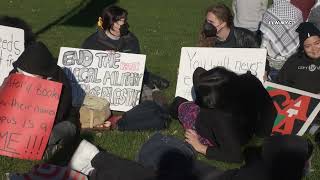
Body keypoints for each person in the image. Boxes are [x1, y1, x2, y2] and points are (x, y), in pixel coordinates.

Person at [170, 67, 277, 163]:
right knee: (199, 73)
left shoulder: (217, 116)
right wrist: (262, 133)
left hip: (211, 131)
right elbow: (271, 110)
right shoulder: (249, 80)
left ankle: (164, 105)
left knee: (178, 102)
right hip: (245, 126)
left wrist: (200, 147)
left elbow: (235, 156)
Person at [9, 41, 80, 159]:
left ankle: (52, 149)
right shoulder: (16, 74)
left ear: (44, 74)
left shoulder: (60, 82)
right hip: (20, 121)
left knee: (48, 136)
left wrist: (28, 128)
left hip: (57, 122)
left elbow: (57, 116)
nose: (25, 79)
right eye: (21, 74)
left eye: (30, 76)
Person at [259, 0, 303, 81]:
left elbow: (265, 39)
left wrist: (261, 55)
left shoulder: (269, 13)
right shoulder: (297, 13)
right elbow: (299, 37)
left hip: (272, 61)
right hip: (291, 61)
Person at [277, 22, 320, 94]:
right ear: (303, 48)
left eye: (317, 43)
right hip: (297, 103)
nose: (314, 49)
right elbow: (280, 86)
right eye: (308, 46)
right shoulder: (293, 61)